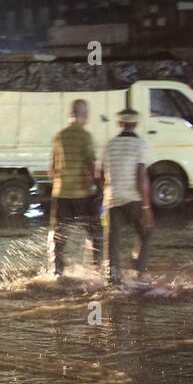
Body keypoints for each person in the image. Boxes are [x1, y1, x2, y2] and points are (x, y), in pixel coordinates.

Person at [48, 98, 101, 277]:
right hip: (82, 193)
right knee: (95, 233)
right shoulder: (85, 136)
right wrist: (98, 187)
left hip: (60, 192)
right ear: (84, 115)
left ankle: (57, 271)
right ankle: (95, 269)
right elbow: (91, 165)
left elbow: (52, 168)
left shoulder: (58, 136)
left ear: (70, 114)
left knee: (59, 236)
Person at [99, 108, 153, 285]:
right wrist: (146, 208)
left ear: (119, 124)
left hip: (112, 200)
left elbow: (101, 174)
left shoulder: (109, 145)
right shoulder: (141, 145)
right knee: (146, 233)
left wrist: (106, 194)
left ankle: (112, 278)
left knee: (112, 241)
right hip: (134, 200)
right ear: (136, 124)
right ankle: (139, 272)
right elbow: (141, 175)